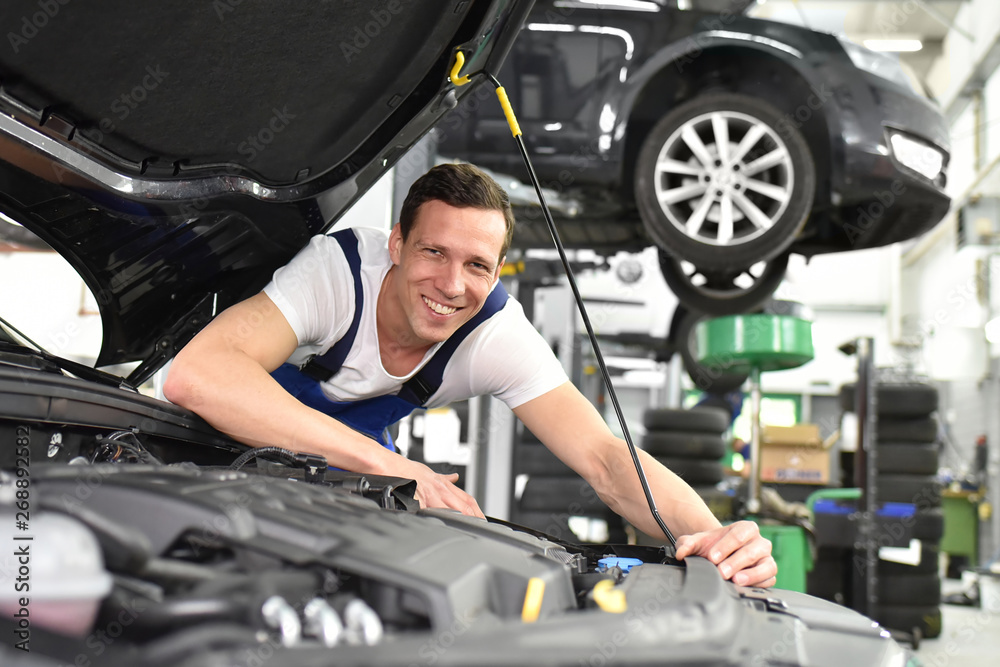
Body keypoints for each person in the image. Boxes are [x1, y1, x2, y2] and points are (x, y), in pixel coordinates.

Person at [164, 163, 776, 588]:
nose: (453, 286)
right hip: (219, 451)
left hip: (340, 491)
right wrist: (394, 467)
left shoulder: (494, 333)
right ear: (398, 244)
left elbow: (606, 462)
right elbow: (199, 375)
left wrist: (718, 541)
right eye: (434, 253)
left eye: (477, 265)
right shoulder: (338, 275)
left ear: (498, 270)